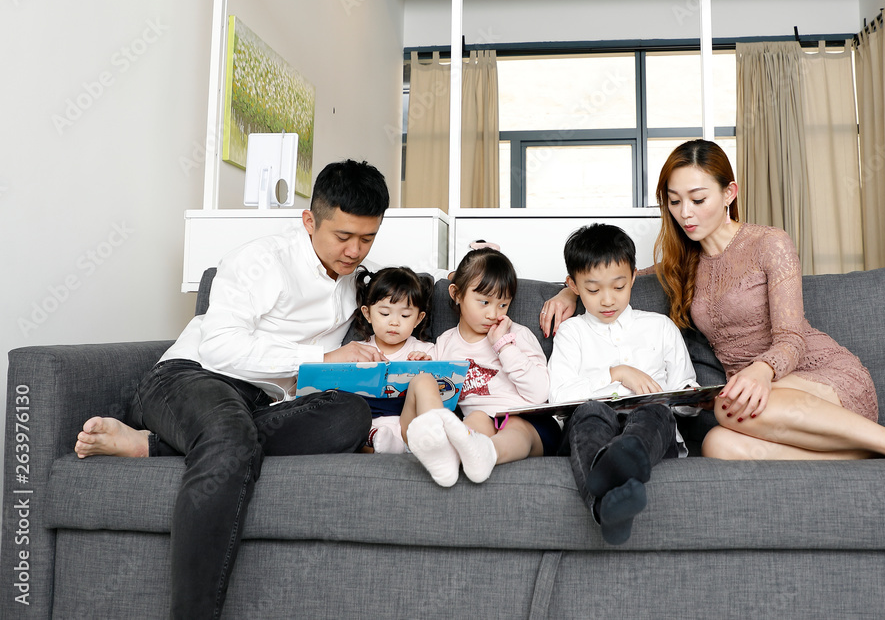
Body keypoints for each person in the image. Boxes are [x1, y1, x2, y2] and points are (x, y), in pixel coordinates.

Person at [74, 159, 393, 619]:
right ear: (310, 220)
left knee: (350, 415)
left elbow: (430, 288)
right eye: (343, 237)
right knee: (228, 437)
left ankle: (154, 446)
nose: (354, 251)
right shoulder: (261, 260)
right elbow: (222, 349)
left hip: (264, 403)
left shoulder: (360, 282)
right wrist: (322, 359)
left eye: (367, 238)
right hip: (191, 378)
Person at [540, 140, 885, 462]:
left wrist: (761, 372)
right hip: (753, 401)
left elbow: (792, 337)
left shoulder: (770, 243)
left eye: (698, 199)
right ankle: (875, 450)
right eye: (674, 203)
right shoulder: (681, 262)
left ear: (729, 193)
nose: (685, 213)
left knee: (727, 407)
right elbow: (614, 275)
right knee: (717, 444)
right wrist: (570, 291)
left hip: (817, 375)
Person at [549, 223, 700, 544]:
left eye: (618, 287)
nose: (607, 300)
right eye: (593, 290)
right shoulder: (571, 333)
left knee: (655, 410)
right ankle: (612, 488)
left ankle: (623, 461)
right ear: (573, 285)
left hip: (651, 429)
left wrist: (694, 399)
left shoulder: (660, 327)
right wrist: (615, 374)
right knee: (590, 412)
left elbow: (685, 398)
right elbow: (558, 397)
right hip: (590, 427)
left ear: (633, 276)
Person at [402, 247, 559, 487]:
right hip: (480, 424)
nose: (493, 314)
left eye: (503, 305)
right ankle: (453, 457)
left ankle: (487, 454)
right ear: (456, 294)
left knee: (515, 426)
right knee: (474, 418)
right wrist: (422, 364)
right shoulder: (445, 343)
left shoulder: (517, 335)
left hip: (530, 423)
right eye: (484, 302)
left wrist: (503, 346)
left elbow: (540, 393)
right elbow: (436, 388)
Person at [352, 265, 436, 454]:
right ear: (367, 314)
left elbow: (444, 390)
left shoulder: (426, 350)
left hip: (410, 422)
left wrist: (427, 364)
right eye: (384, 313)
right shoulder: (357, 350)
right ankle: (384, 444)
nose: (394, 322)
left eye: (405, 315)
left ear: (418, 319)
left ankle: (412, 444)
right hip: (369, 424)